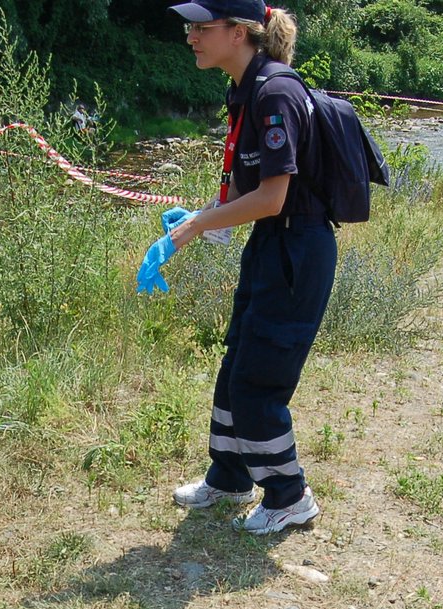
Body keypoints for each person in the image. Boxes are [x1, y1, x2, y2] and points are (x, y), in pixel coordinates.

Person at [153, 0, 334, 535]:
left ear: (239, 32)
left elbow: (275, 197)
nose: (191, 36)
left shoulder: (275, 91)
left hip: (297, 250)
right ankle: (229, 477)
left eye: (202, 27)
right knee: (237, 365)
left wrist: (201, 225)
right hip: (270, 244)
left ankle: (289, 495)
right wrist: (205, 216)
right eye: (190, 27)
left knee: (259, 380)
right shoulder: (245, 89)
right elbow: (245, 185)